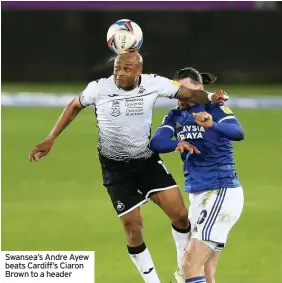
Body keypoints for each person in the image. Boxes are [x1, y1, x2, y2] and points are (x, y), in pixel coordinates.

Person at [29, 53, 228, 283]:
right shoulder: (98, 88)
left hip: (146, 162)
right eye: (117, 68)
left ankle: (182, 273)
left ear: (138, 71)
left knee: (181, 216)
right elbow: (74, 105)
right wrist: (51, 138)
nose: (119, 73)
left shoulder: (153, 83)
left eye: (126, 69)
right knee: (134, 230)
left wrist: (213, 96)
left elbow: (190, 93)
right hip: (116, 170)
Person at [150, 67, 244, 283]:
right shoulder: (175, 115)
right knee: (205, 267)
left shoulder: (216, 109)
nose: (182, 96)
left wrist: (212, 124)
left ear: (200, 89)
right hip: (198, 196)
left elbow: (238, 132)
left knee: (189, 265)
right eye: (178, 91)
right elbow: (156, 142)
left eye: (187, 90)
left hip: (220, 191)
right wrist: (177, 143)